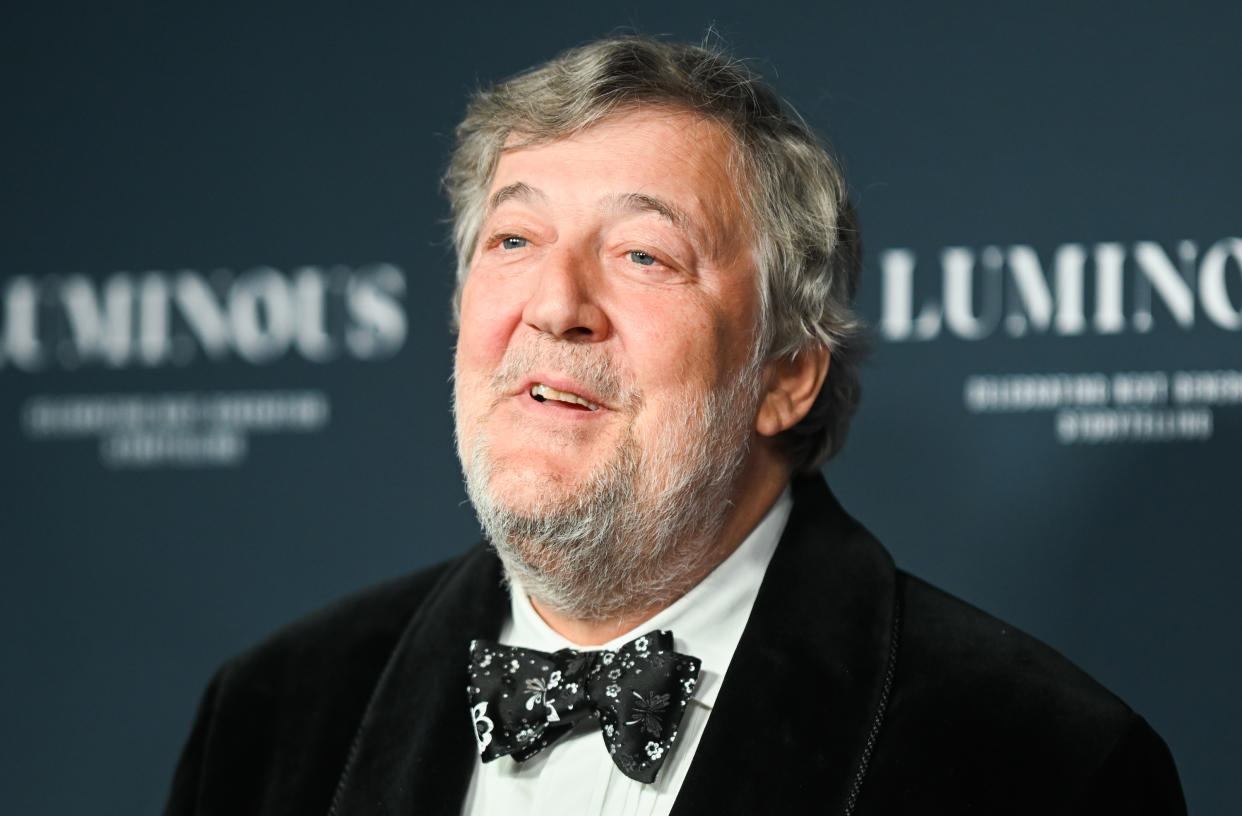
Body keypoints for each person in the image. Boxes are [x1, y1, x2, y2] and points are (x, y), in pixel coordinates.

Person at [165, 36, 1185, 815]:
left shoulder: (1043, 765)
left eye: (644, 255)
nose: (554, 304)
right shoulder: (269, 719)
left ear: (786, 373)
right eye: (514, 237)